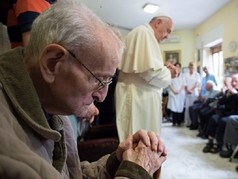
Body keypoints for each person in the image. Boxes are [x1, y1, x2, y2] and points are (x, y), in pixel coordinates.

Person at [0, 1, 167, 178]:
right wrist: (135, 172)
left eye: (108, 81)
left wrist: (117, 163)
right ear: (52, 63)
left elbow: (72, 174)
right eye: (98, 79)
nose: (102, 97)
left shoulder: (53, 104)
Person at [115, 12, 177, 142]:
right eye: (168, 31)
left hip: (141, 97)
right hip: (138, 98)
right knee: (138, 143)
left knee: (146, 142)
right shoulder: (144, 32)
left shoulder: (145, 34)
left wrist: (164, 68)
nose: (167, 36)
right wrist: (169, 73)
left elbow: (147, 67)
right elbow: (150, 72)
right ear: (158, 22)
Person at [202, 74, 238, 153]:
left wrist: (236, 93)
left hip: (236, 114)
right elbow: (221, 102)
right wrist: (226, 96)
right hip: (226, 112)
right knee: (213, 118)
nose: (234, 83)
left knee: (223, 121)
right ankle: (210, 141)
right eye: (232, 81)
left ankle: (219, 143)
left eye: (236, 81)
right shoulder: (229, 90)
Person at [184, 61, 202, 127]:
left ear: (194, 68)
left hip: (194, 93)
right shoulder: (186, 74)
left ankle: (194, 122)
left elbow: (197, 83)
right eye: (190, 67)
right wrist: (187, 90)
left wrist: (191, 89)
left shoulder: (197, 74)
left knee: (193, 107)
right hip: (187, 93)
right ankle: (188, 122)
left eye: (192, 67)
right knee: (187, 108)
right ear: (189, 67)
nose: (191, 68)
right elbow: (184, 83)